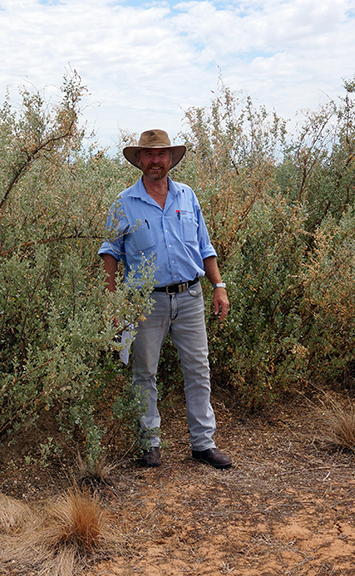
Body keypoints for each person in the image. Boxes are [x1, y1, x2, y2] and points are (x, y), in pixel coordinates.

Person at [98, 129, 232, 469]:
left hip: (189, 297)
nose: (155, 161)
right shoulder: (123, 202)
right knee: (145, 373)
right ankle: (149, 445)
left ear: (170, 159)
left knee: (198, 371)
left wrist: (219, 285)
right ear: (139, 160)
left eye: (161, 154)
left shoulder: (188, 197)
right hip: (146, 303)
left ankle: (203, 444)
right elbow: (110, 253)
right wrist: (113, 303)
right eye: (149, 155)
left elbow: (205, 246)